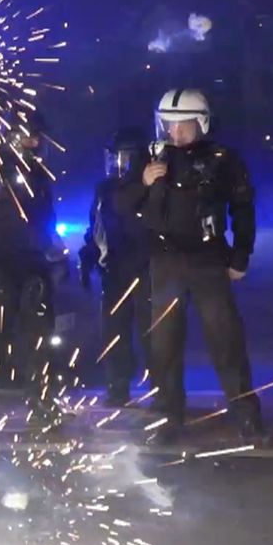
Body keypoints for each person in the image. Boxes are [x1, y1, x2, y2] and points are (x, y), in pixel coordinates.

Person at [113, 89, 264, 443]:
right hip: (164, 262)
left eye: (184, 124)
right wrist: (143, 182)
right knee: (163, 346)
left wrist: (241, 255)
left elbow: (243, 208)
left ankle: (247, 417)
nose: (175, 132)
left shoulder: (222, 159)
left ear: (202, 123)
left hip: (208, 260)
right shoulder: (150, 157)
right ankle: (167, 418)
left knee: (226, 341)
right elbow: (119, 204)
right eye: (169, 124)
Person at [0, 110, 59, 387]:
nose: (36, 143)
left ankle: (38, 391)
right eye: (31, 138)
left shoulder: (38, 175)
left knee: (38, 331)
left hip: (33, 264)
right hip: (1, 264)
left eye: (38, 138)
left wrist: (48, 252)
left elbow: (46, 217)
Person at [80, 127, 154, 407]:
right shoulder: (104, 188)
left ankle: (162, 391)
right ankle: (117, 388)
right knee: (114, 333)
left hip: (146, 270)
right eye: (113, 157)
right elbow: (96, 228)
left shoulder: (150, 187)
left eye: (122, 158)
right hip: (114, 271)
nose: (116, 164)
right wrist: (88, 255)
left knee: (152, 333)